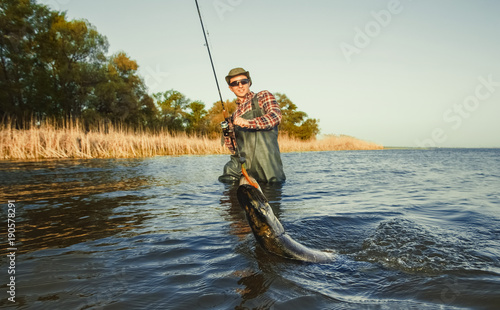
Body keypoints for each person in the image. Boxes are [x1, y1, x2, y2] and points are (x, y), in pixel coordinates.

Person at [218, 67, 286, 183]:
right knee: (226, 180)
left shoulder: (262, 96)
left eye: (243, 82)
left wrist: (248, 123)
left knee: (271, 191)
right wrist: (227, 133)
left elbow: (275, 116)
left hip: (267, 166)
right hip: (243, 166)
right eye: (235, 83)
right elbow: (234, 149)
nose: (240, 86)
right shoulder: (234, 116)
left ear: (249, 82)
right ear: (230, 88)